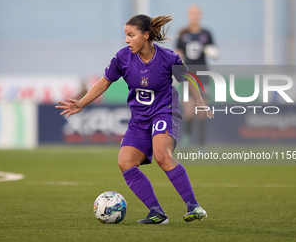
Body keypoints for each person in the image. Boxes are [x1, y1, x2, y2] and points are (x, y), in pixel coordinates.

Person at [55, 14, 213, 224]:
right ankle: (157, 213)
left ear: (146, 35)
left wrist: (200, 100)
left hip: (164, 112)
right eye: (125, 36)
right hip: (139, 119)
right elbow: (104, 82)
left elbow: (190, 79)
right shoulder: (122, 58)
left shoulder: (168, 58)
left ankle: (194, 206)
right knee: (125, 162)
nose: (127, 40)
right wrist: (81, 103)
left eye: (131, 35)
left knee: (161, 155)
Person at [176, 5, 220, 150]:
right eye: (192, 13)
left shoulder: (206, 34)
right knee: (188, 112)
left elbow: (214, 53)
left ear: (200, 16)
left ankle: (202, 145)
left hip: (203, 75)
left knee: (202, 112)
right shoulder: (183, 34)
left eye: (197, 13)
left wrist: (213, 52)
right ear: (188, 15)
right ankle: (187, 137)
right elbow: (178, 55)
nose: (194, 16)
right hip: (188, 75)